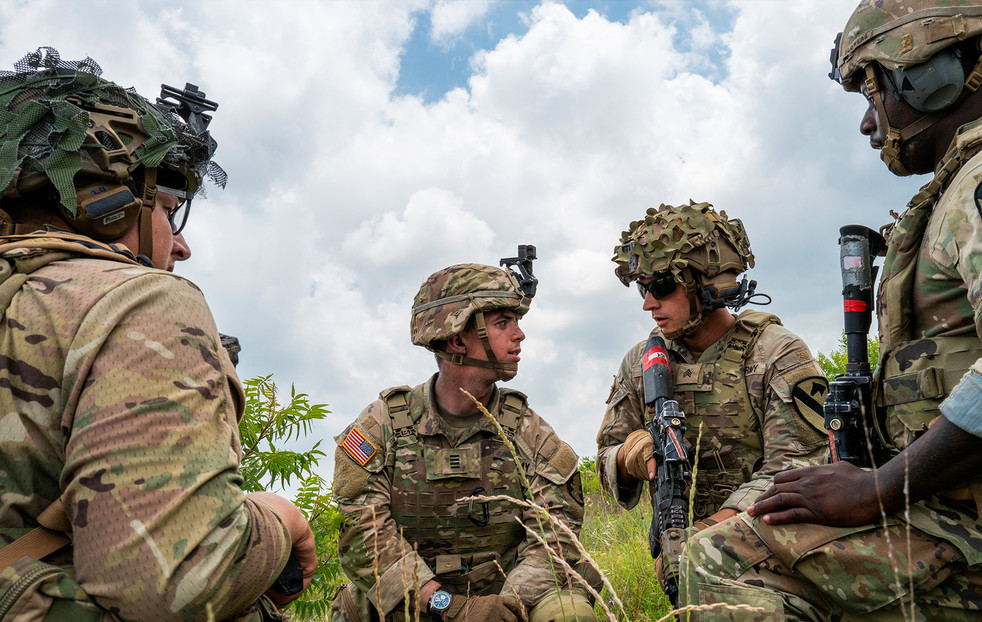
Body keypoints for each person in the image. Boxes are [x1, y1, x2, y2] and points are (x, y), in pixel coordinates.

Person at [683, 1, 982, 619]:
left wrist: (880, 490)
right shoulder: (980, 182)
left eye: (871, 90)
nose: (867, 122)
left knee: (725, 559)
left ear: (921, 74)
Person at [0, 47, 317, 621]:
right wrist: (279, 520)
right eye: (169, 209)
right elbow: (175, 586)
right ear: (108, 200)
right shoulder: (138, 301)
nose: (181, 244)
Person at [330, 262, 597, 622]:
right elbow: (362, 533)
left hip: (503, 597)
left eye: (516, 322)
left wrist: (504, 605)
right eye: (503, 323)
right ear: (457, 338)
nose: (519, 335)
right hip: (417, 599)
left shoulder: (527, 430)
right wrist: (446, 605)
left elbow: (556, 535)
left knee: (569, 614)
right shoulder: (385, 424)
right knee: (353, 608)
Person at [596, 201, 829, 591]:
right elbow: (606, 457)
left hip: (774, 545)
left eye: (662, 287)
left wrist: (701, 539)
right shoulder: (642, 361)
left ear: (706, 283)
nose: (648, 303)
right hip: (686, 555)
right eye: (643, 287)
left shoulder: (775, 352)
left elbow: (796, 472)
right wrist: (630, 455)